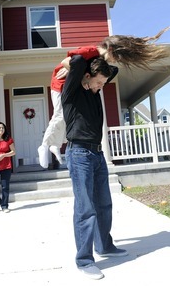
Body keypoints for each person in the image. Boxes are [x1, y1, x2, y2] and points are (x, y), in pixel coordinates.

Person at [37, 27, 170, 168]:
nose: (117, 60)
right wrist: (81, 76)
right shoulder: (91, 51)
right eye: (117, 57)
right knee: (59, 115)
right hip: (60, 83)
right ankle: (44, 145)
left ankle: (55, 145)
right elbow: (66, 62)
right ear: (111, 49)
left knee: (68, 116)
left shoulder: (101, 61)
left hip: (71, 84)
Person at [61, 54, 124, 280]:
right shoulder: (72, 92)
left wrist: (100, 69)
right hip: (79, 153)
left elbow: (112, 70)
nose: (101, 87)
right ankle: (84, 260)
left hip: (97, 153)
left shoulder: (96, 89)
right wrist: (83, 62)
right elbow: (77, 61)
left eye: (103, 84)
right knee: (85, 208)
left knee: (104, 204)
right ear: (86, 76)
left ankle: (104, 246)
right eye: (98, 82)